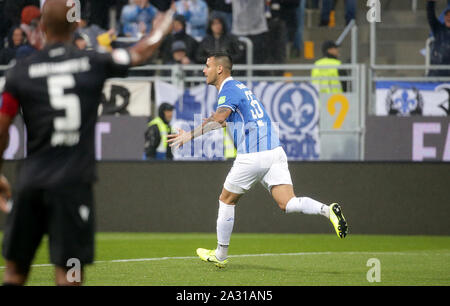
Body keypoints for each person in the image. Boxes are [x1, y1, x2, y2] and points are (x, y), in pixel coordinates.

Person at [0, 0, 175, 285]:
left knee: (15, 272)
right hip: (72, 185)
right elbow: (139, 53)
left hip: (30, 183)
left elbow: (2, 129)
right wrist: (160, 29)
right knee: (69, 275)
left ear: (41, 27)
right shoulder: (93, 62)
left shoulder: (20, 72)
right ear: (75, 25)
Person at [168, 52, 348, 268]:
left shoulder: (229, 89)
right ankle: (328, 210)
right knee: (288, 203)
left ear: (219, 69)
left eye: (207, 66)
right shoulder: (242, 88)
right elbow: (230, 120)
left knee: (226, 199)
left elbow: (219, 118)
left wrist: (189, 135)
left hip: (253, 153)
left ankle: (221, 255)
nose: (203, 70)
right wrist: (214, 123)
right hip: (275, 151)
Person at [427, 0, 450, 77]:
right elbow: (430, 16)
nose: (449, 18)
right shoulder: (438, 29)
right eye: (447, 15)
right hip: (437, 73)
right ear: (444, 17)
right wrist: (431, 2)